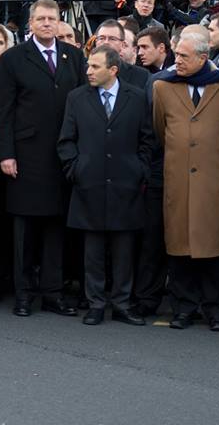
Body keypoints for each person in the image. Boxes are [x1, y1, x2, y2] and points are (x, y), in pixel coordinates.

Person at [0, 0, 86, 318]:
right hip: (26, 156)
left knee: (56, 229)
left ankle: (52, 293)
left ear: (60, 23)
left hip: (62, 156)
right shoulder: (13, 59)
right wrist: (6, 153)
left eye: (53, 18)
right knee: (25, 229)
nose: (47, 23)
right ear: (31, 23)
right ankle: (23, 294)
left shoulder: (73, 56)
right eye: (41, 19)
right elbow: (4, 111)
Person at [57, 45, 154, 326]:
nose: (88, 71)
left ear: (113, 70)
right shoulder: (76, 98)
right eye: (88, 65)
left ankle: (122, 303)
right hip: (89, 184)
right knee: (93, 250)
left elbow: (147, 139)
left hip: (127, 184)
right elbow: (66, 140)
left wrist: (140, 170)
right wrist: (76, 169)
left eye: (95, 67)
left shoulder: (136, 98)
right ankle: (96, 302)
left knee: (124, 249)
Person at [152, 29, 219, 331]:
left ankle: (216, 310)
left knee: (212, 249)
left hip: (214, 181)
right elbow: (161, 130)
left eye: (184, 57)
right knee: (180, 246)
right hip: (178, 179)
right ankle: (184, 307)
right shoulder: (163, 87)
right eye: (176, 56)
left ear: (204, 58)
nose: (178, 62)